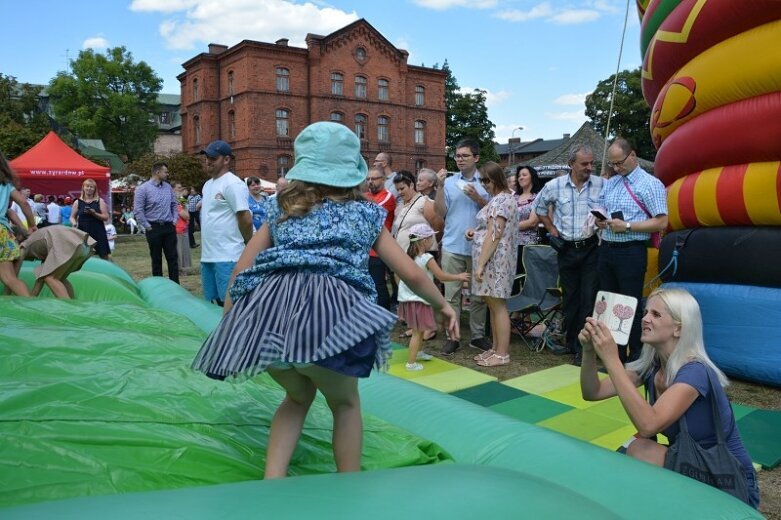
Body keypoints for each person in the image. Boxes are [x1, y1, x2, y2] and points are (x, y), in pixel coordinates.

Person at [191, 122, 459, 478]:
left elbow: (242, 270)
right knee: (345, 404)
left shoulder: (281, 209)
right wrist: (441, 305)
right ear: (352, 174)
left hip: (269, 317)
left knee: (297, 398)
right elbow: (410, 272)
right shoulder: (365, 213)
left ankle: (273, 479)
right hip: (327, 318)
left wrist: (232, 324)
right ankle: (347, 485)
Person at [579, 288, 759, 508]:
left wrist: (612, 360)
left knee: (640, 449)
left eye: (656, 314)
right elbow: (592, 392)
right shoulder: (653, 367)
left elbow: (648, 425)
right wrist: (588, 352)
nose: (645, 319)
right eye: (646, 312)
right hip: (691, 464)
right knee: (629, 450)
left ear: (678, 328)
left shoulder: (695, 371)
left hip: (729, 481)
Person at [597, 137, 668, 363]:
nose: (616, 168)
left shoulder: (650, 184)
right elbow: (601, 208)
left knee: (631, 304)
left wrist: (627, 226)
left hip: (631, 250)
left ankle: (636, 358)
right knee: (609, 304)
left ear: (633, 156)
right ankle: (613, 357)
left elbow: (661, 222)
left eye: (620, 163)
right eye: (612, 164)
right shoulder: (612, 182)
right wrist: (600, 220)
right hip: (607, 247)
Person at [534, 145, 603, 365]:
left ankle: (586, 347)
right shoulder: (554, 186)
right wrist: (552, 230)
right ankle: (572, 343)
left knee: (589, 297)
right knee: (570, 299)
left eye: (592, 163)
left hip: (592, 247)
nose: (589, 168)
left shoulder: (602, 184)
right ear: (571, 164)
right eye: (585, 164)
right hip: (566, 249)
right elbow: (539, 208)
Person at [434, 137, 491, 355]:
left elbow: (495, 209)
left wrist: (478, 197)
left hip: (479, 247)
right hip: (452, 244)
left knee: (478, 296)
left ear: (476, 158)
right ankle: (453, 337)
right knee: (451, 295)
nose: (460, 160)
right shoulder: (448, 182)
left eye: (465, 156)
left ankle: (477, 336)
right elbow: (440, 212)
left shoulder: (485, 182)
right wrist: (439, 187)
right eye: (457, 156)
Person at [466, 162, 520, 367]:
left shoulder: (501, 201)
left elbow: (495, 235)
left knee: (498, 307)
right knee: (492, 306)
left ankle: (502, 353)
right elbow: (492, 231)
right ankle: (496, 349)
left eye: (487, 180)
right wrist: (476, 233)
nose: (484, 184)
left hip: (496, 261)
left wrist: (480, 264)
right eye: (482, 180)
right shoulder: (500, 200)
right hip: (494, 259)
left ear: (497, 179)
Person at [398, 223, 469, 371]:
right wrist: (459, 276)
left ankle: (417, 353)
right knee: (417, 332)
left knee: (420, 329)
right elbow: (441, 276)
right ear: (424, 240)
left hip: (409, 298)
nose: (433, 240)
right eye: (431, 237)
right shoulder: (427, 258)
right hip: (419, 299)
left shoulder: (408, 255)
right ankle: (411, 363)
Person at [199, 140, 253, 306]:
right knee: (214, 304)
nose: (208, 161)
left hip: (228, 256)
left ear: (227, 160)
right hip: (209, 256)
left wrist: (248, 243)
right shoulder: (208, 185)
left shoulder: (233, 184)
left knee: (231, 304)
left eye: (213, 158)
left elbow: (245, 217)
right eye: (207, 157)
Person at [393, 171, 440, 341]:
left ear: (412, 185)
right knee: (410, 293)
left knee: (423, 292)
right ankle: (415, 326)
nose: (400, 192)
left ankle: (429, 328)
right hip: (403, 255)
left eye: (403, 188)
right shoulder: (401, 205)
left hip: (421, 254)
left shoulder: (424, 202)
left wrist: (427, 249)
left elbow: (438, 225)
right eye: (397, 189)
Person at [18, 226, 96, 299]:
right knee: (60, 279)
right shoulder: (42, 243)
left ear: (19, 237)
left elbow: (13, 277)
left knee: (50, 278)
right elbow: (41, 277)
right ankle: (74, 305)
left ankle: (70, 310)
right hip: (83, 245)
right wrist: (32, 299)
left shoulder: (24, 244)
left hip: (67, 244)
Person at [134, 162, 179, 283]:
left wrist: (174, 221)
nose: (167, 174)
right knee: (156, 259)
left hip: (169, 227)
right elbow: (138, 210)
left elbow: (174, 204)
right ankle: (159, 286)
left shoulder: (168, 187)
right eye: (166, 172)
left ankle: (176, 285)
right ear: (157, 172)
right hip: (153, 228)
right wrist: (148, 227)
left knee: (173, 258)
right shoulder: (143, 189)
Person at [0, 152, 36, 296]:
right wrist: (32, 225)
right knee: (11, 278)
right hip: (4, 232)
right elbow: (23, 203)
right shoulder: (6, 184)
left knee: (8, 278)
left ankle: (31, 308)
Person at [365, 165, 396, 310]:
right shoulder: (367, 196)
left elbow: (372, 213)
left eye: (374, 178)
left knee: (379, 284)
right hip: (366, 249)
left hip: (379, 250)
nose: (370, 181)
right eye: (368, 179)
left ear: (383, 180)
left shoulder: (388, 196)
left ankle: (384, 313)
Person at [71, 179, 111, 260]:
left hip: (98, 231)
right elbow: (72, 217)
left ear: (95, 189)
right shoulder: (77, 202)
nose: (89, 188)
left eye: (91, 187)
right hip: (83, 232)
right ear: (83, 188)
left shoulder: (100, 201)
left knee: (104, 255)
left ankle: (109, 271)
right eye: (87, 186)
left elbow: (106, 217)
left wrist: (94, 213)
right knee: (82, 256)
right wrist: (74, 223)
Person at [514, 165, 543, 275]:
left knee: (524, 276)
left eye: (524, 175)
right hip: (510, 243)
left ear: (532, 177)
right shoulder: (513, 197)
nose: (521, 177)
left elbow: (532, 222)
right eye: (519, 176)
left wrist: (508, 226)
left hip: (527, 245)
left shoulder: (537, 197)